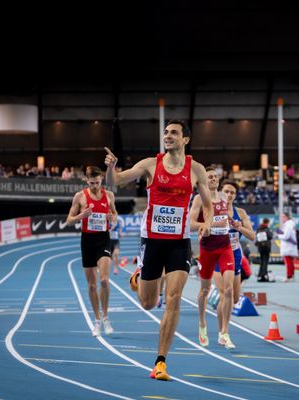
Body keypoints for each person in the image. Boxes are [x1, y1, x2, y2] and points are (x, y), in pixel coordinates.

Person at [104, 119, 212, 381]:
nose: (168, 136)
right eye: (166, 132)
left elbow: (208, 204)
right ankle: (139, 276)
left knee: (173, 299)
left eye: (173, 133)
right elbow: (115, 182)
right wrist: (111, 168)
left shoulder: (196, 169)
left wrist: (207, 223)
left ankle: (161, 362)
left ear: (185, 139)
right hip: (152, 241)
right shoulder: (150, 164)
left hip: (179, 243)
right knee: (148, 303)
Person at [66, 166, 117, 337]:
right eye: (92, 182)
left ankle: (106, 316)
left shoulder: (109, 195)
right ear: (87, 181)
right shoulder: (80, 197)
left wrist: (113, 219)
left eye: (98, 182)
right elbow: (69, 221)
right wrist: (81, 216)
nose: (95, 185)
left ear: (101, 179)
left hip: (103, 239)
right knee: (92, 284)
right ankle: (97, 320)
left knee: (104, 280)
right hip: (87, 241)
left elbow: (115, 215)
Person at [189, 169, 237, 350]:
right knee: (204, 291)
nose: (214, 179)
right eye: (210, 177)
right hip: (207, 249)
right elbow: (191, 224)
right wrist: (206, 225)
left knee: (229, 289)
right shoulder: (199, 199)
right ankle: (202, 324)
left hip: (225, 247)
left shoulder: (225, 199)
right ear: (203, 180)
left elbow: (227, 218)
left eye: (216, 176)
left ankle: (224, 333)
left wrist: (233, 223)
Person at [212, 180, 255, 346]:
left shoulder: (241, 213)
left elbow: (252, 236)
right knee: (226, 293)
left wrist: (239, 227)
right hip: (218, 254)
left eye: (232, 192)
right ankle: (224, 333)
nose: (229, 195)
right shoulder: (213, 208)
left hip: (235, 255)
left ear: (235, 196)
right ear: (221, 192)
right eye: (226, 191)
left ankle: (223, 326)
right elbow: (202, 229)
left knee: (234, 297)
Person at [277, 213, 299, 282]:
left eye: (283, 217)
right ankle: (291, 275)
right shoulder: (288, 224)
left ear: (287, 217)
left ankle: (289, 276)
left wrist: (279, 236)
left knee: (288, 262)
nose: (282, 218)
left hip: (288, 247)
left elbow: (286, 236)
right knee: (290, 262)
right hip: (289, 246)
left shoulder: (288, 225)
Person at [255, 218, 273, 282]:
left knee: (261, 261)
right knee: (265, 261)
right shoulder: (267, 229)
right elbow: (270, 236)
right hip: (266, 247)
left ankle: (260, 275)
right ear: (267, 222)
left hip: (260, 247)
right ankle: (264, 275)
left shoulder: (258, 228)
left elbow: (256, 237)